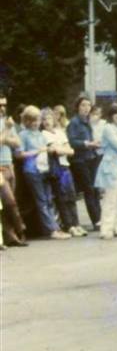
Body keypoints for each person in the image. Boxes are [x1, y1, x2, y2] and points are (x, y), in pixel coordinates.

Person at [17, 106, 71, 240]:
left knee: (48, 199)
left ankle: (55, 228)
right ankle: (51, 230)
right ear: (27, 121)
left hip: (44, 169)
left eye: (37, 120)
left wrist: (48, 149)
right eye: (32, 120)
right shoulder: (23, 135)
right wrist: (37, 151)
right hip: (32, 170)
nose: (36, 123)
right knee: (41, 200)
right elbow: (19, 154)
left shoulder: (40, 134)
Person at [41, 108, 84, 237]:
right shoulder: (44, 134)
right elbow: (56, 151)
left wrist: (62, 149)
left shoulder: (59, 132)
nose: (46, 121)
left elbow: (71, 150)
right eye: (43, 119)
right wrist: (62, 149)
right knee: (62, 197)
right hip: (57, 168)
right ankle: (69, 224)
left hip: (66, 166)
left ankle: (76, 224)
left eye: (48, 118)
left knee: (71, 196)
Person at [94, 103, 117, 240]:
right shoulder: (108, 129)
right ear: (111, 115)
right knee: (110, 198)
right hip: (110, 166)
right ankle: (106, 228)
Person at [67, 95, 101, 230]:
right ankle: (96, 220)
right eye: (83, 105)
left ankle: (100, 217)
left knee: (95, 189)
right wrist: (87, 144)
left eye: (88, 105)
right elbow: (72, 141)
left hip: (91, 157)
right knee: (89, 189)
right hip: (80, 160)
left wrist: (94, 144)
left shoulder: (87, 122)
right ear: (77, 107)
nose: (86, 108)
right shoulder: (74, 122)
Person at [0, 94, 28, 246]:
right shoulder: (8, 125)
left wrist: (5, 138)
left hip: (9, 164)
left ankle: (10, 236)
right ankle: (20, 228)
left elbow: (17, 143)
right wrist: (7, 131)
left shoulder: (6, 122)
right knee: (9, 201)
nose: (3, 108)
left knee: (9, 203)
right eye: (0, 105)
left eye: (4, 105)